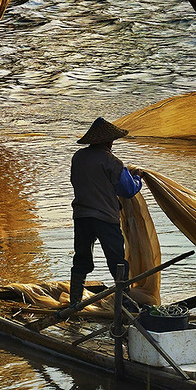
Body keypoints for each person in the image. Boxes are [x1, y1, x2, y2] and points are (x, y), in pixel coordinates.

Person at [67, 116, 143, 313]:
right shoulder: (113, 162)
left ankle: (74, 302)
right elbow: (127, 190)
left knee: (81, 258)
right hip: (105, 218)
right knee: (117, 260)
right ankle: (124, 302)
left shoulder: (78, 157)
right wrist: (137, 178)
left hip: (81, 216)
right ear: (108, 141)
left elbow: (75, 181)